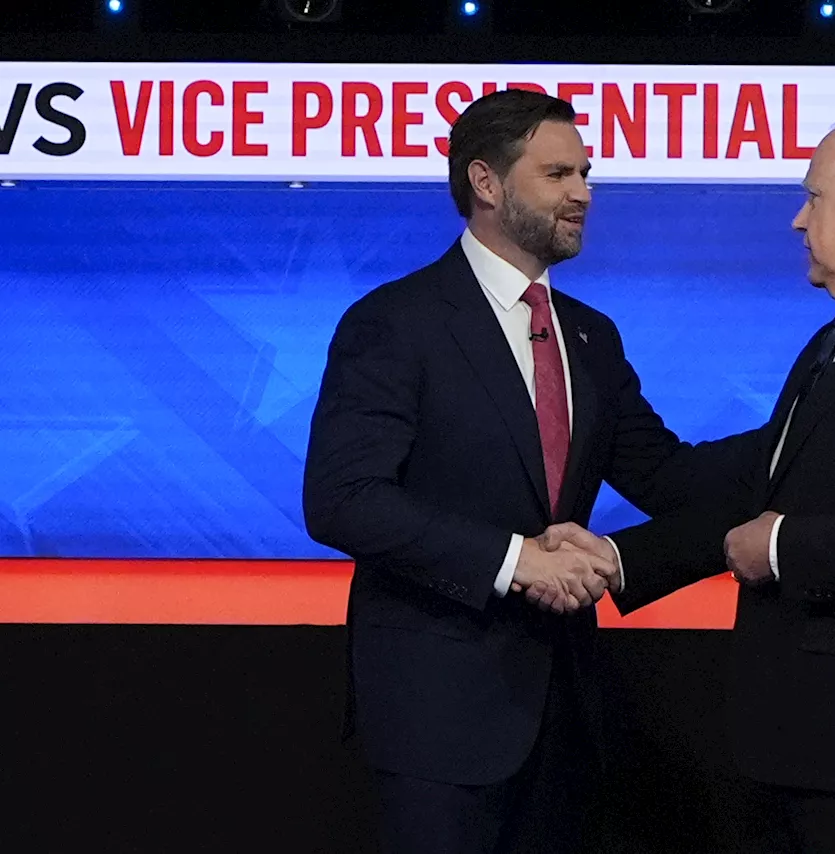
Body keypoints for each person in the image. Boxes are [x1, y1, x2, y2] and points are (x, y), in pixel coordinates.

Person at [537, 113, 835, 853]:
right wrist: (620, 560)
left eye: (813, 197)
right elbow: (755, 486)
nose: (799, 220)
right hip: (817, 752)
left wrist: (787, 549)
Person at [302, 88, 722, 854]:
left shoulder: (591, 337)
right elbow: (343, 499)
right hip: (436, 721)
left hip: (567, 714)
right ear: (486, 183)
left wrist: (803, 429)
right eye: (559, 174)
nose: (584, 194)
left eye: (586, 173)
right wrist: (514, 561)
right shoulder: (396, 323)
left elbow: (671, 480)